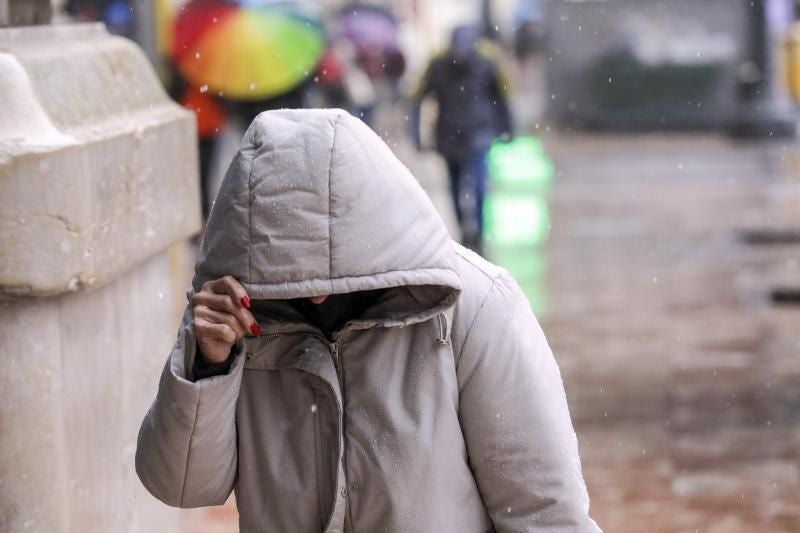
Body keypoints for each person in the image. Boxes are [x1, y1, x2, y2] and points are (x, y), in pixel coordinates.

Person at [135, 109, 601, 532]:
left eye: (323, 263)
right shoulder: (230, 314)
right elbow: (183, 489)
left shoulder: (474, 304)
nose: (309, 287)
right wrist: (209, 366)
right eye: (285, 263)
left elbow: (544, 512)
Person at [411, 24, 513, 249]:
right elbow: (417, 99)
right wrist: (416, 136)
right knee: (460, 186)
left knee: (474, 186)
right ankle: (469, 232)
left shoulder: (488, 62)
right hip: (455, 135)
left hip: (475, 135)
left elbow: (503, 97)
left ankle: (476, 233)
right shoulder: (438, 65)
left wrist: (508, 128)